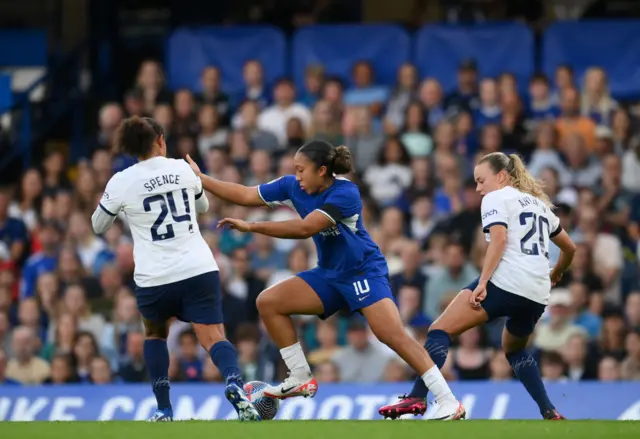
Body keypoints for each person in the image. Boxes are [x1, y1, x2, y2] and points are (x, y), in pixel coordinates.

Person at [186, 139, 465, 421]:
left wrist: (253, 226)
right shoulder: (292, 186)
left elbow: (307, 228)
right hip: (329, 274)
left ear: (321, 170)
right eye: (294, 170)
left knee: (391, 335)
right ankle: (299, 376)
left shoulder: (346, 193)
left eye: (301, 170)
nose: (297, 177)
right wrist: (202, 179)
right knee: (269, 302)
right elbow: (246, 195)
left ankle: (448, 401)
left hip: (362, 271)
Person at [379, 152, 576, 420]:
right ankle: (549, 410)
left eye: (481, 180)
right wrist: (558, 270)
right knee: (515, 349)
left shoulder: (496, 197)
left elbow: (499, 240)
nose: (478, 188)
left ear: (501, 177)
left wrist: (483, 282)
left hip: (507, 281)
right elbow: (569, 247)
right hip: (538, 292)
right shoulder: (540, 205)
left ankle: (417, 396)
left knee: (439, 330)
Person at [90, 116, 260, 422]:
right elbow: (204, 207)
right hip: (198, 267)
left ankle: (164, 409)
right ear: (160, 141)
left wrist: (116, 203)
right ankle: (235, 381)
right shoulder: (182, 167)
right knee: (212, 336)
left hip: (154, 276)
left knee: (155, 335)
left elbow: (98, 225)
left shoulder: (121, 180)